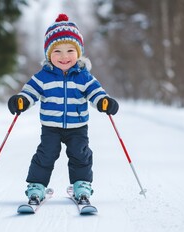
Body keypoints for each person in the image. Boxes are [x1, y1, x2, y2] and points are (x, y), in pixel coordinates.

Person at [7, 13, 119, 204]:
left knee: (80, 154)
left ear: (79, 52)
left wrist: (104, 102)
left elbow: (95, 92)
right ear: (49, 54)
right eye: (57, 51)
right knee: (45, 154)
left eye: (70, 50)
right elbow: (30, 92)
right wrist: (22, 101)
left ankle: (81, 185)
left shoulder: (84, 76)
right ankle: (36, 186)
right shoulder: (44, 76)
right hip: (51, 127)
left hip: (78, 127)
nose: (64, 56)